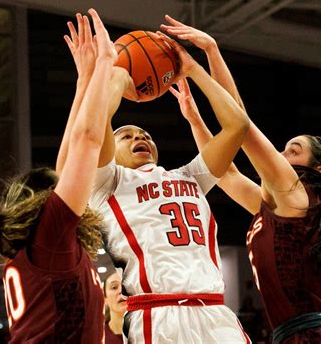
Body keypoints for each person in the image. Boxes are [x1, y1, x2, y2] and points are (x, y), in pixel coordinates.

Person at [161, 15, 321, 343]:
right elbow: (227, 173)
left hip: (314, 335)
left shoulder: (296, 194)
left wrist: (203, 61)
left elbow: (240, 126)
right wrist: (194, 119)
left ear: (318, 172)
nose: (282, 157)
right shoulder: (276, 206)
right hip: (293, 335)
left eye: (294, 151)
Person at [0, 9, 134, 343]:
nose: (70, 183)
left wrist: (83, 83)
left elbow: (67, 163)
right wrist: (104, 67)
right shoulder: (50, 237)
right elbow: (86, 142)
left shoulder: (43, 245)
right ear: (44, 203)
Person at [87, 33, 251, 343]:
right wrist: (119, 77)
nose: (140, 138)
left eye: (145, 135)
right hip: (156, 314)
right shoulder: (108, 182)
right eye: (128, 136)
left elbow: (237, 126)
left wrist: (192, 69)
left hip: (215, 312)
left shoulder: (190, 175)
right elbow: (97, 124)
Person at [103, 271, 126, 344]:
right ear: (104, 298)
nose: (121, 291)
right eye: (114, 287)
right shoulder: (97, 337)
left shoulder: (152, 332)